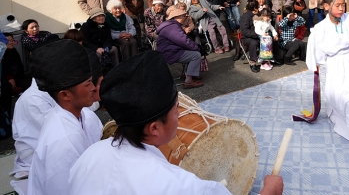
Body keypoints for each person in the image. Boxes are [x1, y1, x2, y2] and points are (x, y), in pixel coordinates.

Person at [68, 51, 284, 195]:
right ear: (154, 127)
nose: (180, 116)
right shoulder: (176, 186)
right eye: (176, 110)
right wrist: (270, 191)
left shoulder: (91, 155)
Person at [26, 40, 102, 195]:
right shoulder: (64, 141)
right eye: (88, 84)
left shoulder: (80, 115)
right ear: (65, 95)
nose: (94, 88)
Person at [306, 0, 349, 158]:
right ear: (326, 6)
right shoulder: (320, 28)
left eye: (344, 5)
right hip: (334, 65)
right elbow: (316, 51)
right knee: (333, 94)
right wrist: (316, 65)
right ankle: (336, 115)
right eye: (338, 5)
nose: (342, 9)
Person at [9, 37, 60, 182]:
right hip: (35, 151)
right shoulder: (35, 98)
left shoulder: (50, 87)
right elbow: (57, 132)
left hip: (51, 142)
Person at [157, 8, 203, 89]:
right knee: (196, 55)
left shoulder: (170, 25)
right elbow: (183, 41)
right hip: (170, 53)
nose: (185, 17)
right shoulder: (173, 27)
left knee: (192, 51)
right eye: (183, 16)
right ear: (177, 17)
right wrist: (197, 47)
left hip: (169, 51)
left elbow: (182, 40)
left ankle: (190, 74)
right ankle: (188, 81)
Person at [237, 0, 260, 72]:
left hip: (257, 34)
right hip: (247, 38)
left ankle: (269, 59)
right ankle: (252, 63)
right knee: (253, 43)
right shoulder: (246, 16)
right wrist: (256, 34)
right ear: (255, 8)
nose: (259, 7)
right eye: (258, 6)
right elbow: (244, 31)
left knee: (268, 39)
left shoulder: (257, 14)